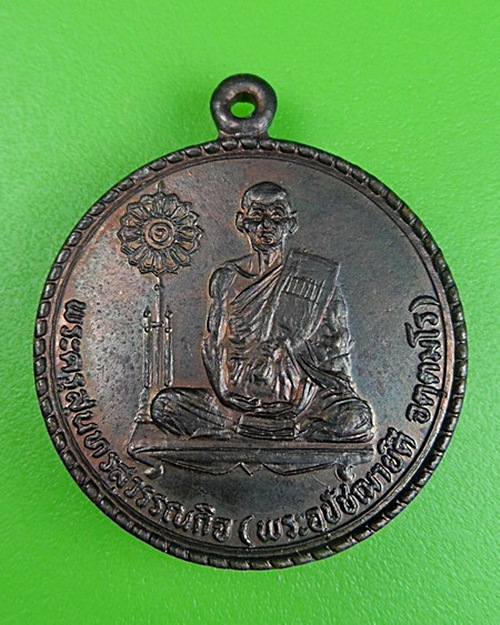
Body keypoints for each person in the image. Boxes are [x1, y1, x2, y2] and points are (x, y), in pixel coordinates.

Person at [151, 182, 374, 442]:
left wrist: (289, 346)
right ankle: (264, 430)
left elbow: (335, 355)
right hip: (236, 402)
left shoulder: (315, 278)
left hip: (302, 401)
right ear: (242, 222)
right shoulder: (227, 278)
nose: (266, 225)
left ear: (291, 223)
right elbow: (214, 344)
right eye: (257, 216)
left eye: (277, 216)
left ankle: (260, 430)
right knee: (165, 405)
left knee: (356, 418)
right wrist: (227, 389)